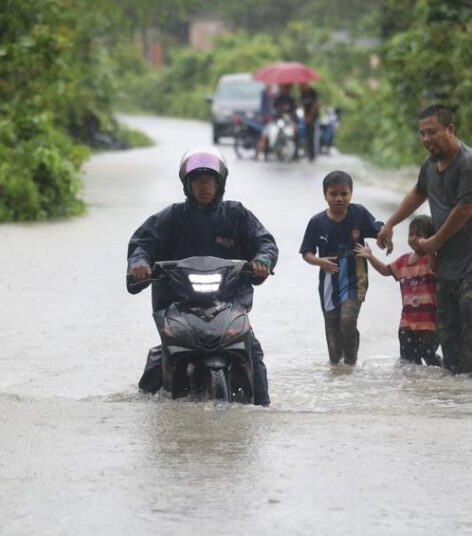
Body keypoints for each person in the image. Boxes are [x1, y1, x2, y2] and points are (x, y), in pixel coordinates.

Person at [127, 146, 278, 405]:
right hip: (178, 305)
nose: (204, 185)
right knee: (161, 354)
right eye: (197, 179)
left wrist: (262, 260)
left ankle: (263, 408)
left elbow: (264, 242)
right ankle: (148, 406)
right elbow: (142, 243)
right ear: (187, 184)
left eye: (209, 179)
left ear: (220, 183)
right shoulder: (171, 217)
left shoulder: (237, 214)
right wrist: (139, 263)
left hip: (229, 303)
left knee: (251, 350)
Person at [375, 104, 472, 375]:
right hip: (448, 258)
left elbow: (463, 212)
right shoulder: (430, 165)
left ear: (450, 129)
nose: (426, 139)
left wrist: (433, 242)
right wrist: (390, 224)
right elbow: (417, 193)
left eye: (432, 132)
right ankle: (455, 386)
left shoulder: (471, 163)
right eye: (422, 134)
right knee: (446, 325)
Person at [300, 170, 383, 366]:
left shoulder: (359, 213)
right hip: (329, 281)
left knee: (347, 320)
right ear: (325, 195)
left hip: (356, 279)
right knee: (332, 327)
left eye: (344, 194)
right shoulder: (317, 222)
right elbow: (306, 253)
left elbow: (378, 228)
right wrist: (320, 262)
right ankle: (337, 370)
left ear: (351, 194)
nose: (339, 198)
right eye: (333, 194)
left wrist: (384, 237)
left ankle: (352, 362)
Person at [356, 215, 442, 366]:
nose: (414, 238)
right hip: (407, 322)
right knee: (407, 360)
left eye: (419, 235)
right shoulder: (403, 261)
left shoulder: (431, 259)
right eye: (411, 234)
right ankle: (412, 387)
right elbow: (385, 270)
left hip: (429, 323)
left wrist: (430, 247)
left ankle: (437, 381)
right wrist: (370, 256)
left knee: (429, 357)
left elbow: (435, 267)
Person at [299, 82, 320, 161]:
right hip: (306, 118)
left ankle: (313, 155)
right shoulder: (303, 94)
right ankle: (308, 153)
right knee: (307, 136)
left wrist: (310, 117)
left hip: (313, 117)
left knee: (313, 136)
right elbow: (303, 106)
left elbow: (315, 105)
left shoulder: (313, 92)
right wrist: (305, 117)